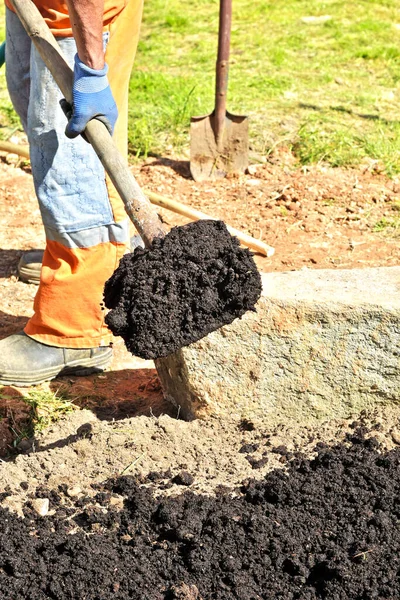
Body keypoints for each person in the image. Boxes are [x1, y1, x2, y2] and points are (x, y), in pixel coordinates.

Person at [0, 0, 143, 386]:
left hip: (81, 16)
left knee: (72, 162)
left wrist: (92, 67)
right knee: (42, 131)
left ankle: (75, 324)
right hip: (32, 7)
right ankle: (63, 254)